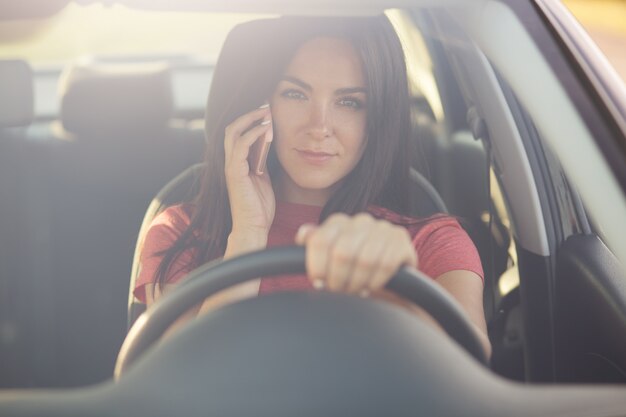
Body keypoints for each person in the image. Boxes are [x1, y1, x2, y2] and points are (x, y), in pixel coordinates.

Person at [134, 15, 491, 355]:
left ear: (377, 120)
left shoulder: (435, 244)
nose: (319, 126)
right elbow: (175, 385)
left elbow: (470, 377)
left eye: (349, 102)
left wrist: (391, 289)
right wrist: (248, 235)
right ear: (264, 106)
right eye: (295, 94)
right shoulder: (180, 232)